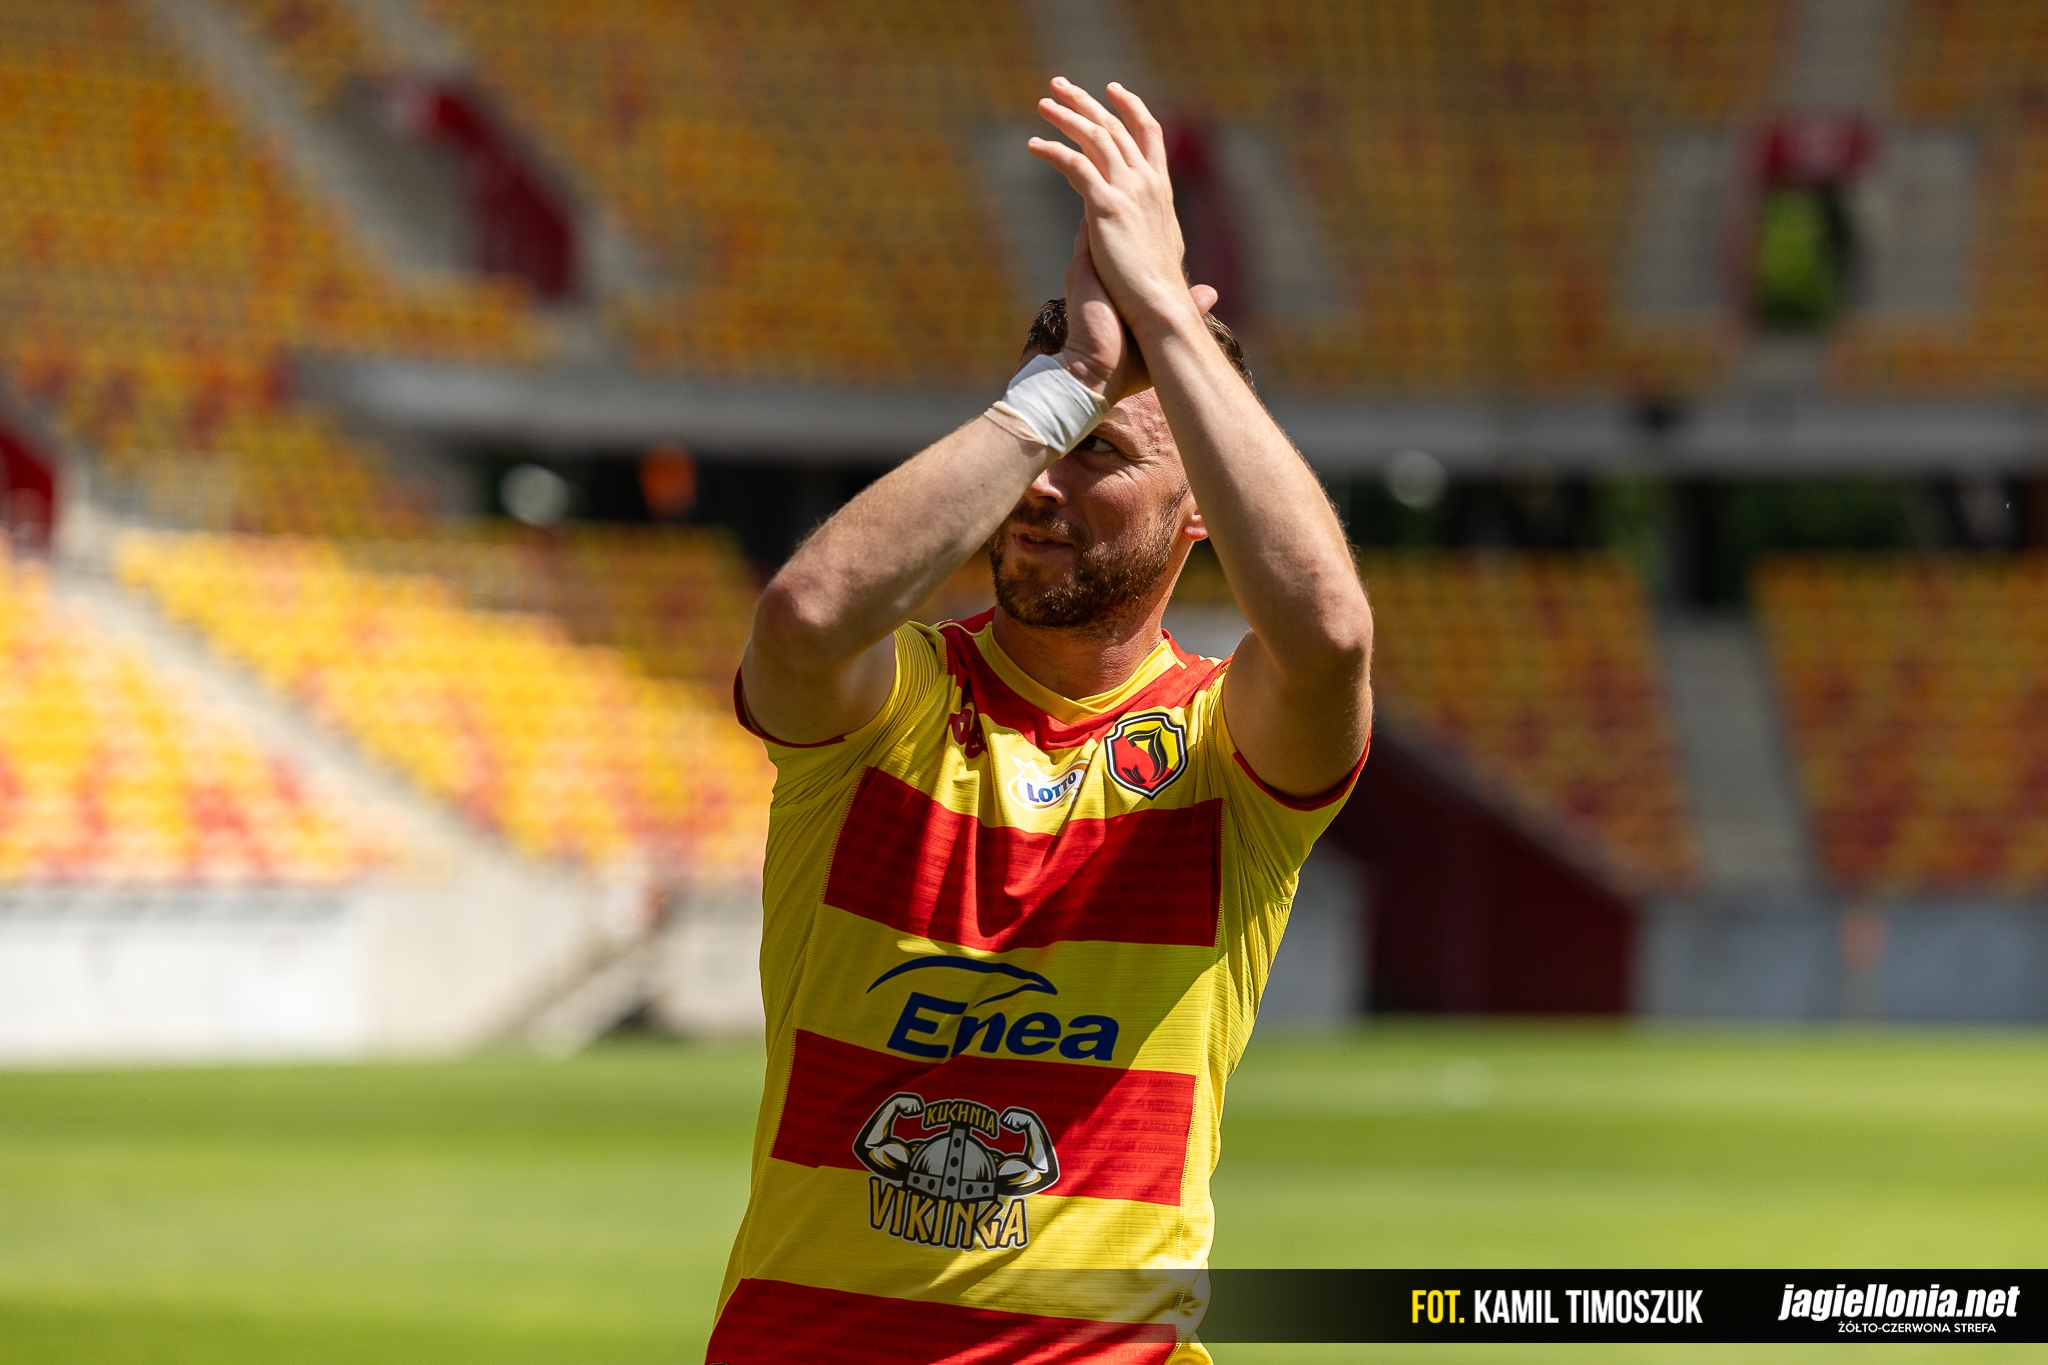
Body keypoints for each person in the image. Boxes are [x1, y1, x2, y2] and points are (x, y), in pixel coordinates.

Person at [706, 77, 1373, 1365]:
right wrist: (1066, 386)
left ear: (1200, 511)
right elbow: (804, 617)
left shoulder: (1221, 754)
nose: (1042, 489)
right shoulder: (898, 705)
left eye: (1101, 456)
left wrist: (1165, 313)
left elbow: (1330, 637)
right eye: (1041, 446)